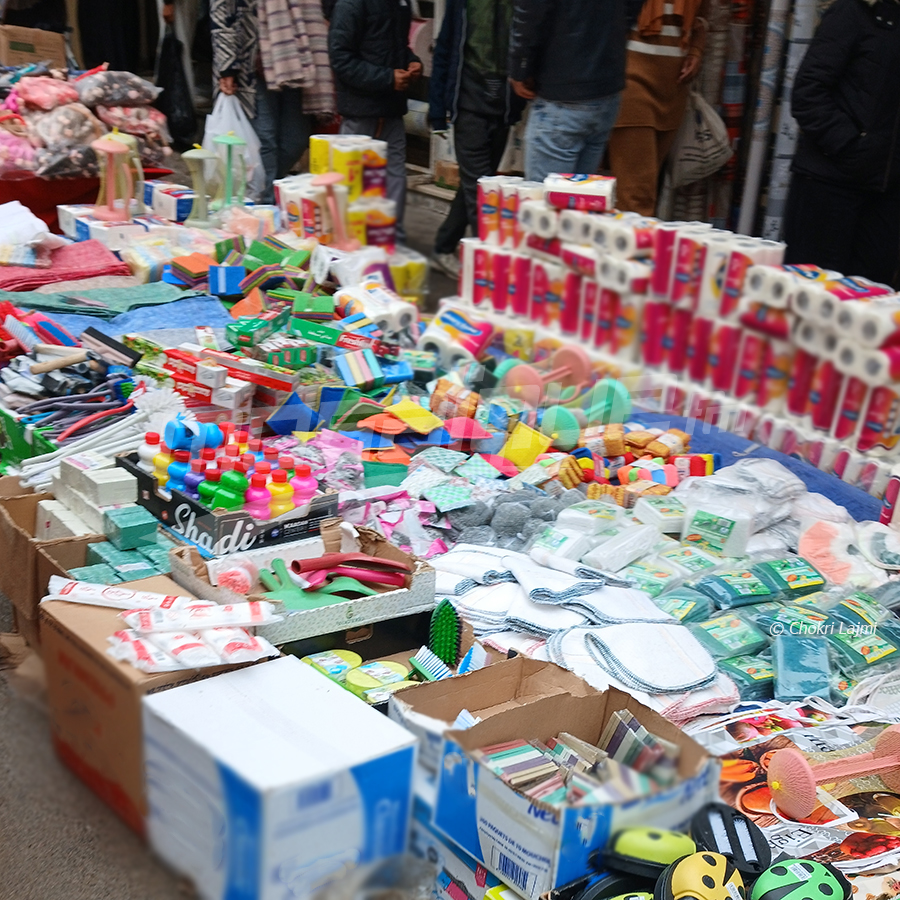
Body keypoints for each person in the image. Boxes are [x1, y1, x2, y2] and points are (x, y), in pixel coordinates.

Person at [782, 0, 900, 288]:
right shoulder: (853, 11)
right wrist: (851, 146)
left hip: (886, 197)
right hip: (829, 184)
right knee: (810, 297)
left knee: (869, 303)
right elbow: (808, 93)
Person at [428, 0, 525, 277]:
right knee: (482, 192)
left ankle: (444, 247)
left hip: (503, 108)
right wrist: (437, 110)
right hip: (469, 105)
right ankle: (489, 272)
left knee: (478, 183)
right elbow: (445, 49)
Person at [210, 0, 335, 204]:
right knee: (265, 140)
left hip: (296, 59)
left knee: (296, 140)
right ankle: (267, 203)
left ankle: (266, 190)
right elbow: (222, 11)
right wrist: (227, 66)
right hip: (251, 63)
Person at [328, 0, 421, 242]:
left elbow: (397, 47)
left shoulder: (400, 3)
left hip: (391, 109)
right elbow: (340, 58)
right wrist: (387, 78)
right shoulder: (351, 4)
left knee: (394, 176)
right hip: (360, 111)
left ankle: (390, 242)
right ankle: (350, 243)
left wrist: (411, 61)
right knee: (353, 182)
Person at [508, 0, 626, 183]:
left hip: (562, 89)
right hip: (605, 86)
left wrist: (519, 69)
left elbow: (529, 16)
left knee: (547, 197)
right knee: (579, 195)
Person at [607, 0, 707, 215]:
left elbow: (703, 17)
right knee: (637, 195)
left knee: (645, 190)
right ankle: (634, 236)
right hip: (630, 84)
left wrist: (696, 51)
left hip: (673, 90)